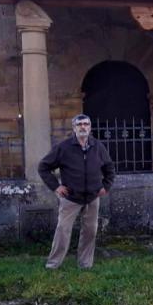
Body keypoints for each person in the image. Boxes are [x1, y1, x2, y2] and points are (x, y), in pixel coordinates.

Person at [38, 114, 115, 269]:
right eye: (79, 124)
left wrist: (105, 186)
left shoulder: (98, 147)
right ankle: (53, 264)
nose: (83, 127)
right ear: (74, 128)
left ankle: (85, 264)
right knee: (63, 230)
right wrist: (56, 187)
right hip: (71, 197)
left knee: (90, 231)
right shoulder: (64, 147)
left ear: (90, 127)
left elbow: (109, 168)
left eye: (86, 124)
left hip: (92, 197)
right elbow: (43, 167)